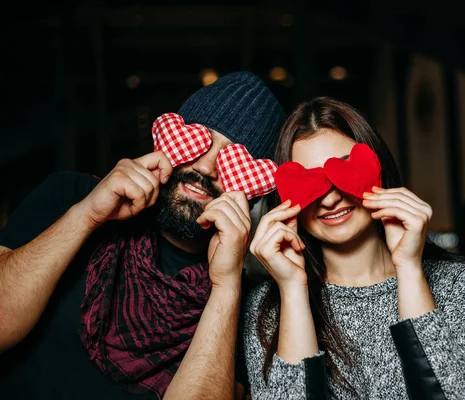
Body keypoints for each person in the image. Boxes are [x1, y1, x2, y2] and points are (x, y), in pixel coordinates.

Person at [0, 71, 286, 400]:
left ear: (254, 190)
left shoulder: (253, 305)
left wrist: (226, 284)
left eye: (234, 158)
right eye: (200, 140)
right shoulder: (70, 194)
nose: (206, 168)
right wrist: (87, 215)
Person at [242, 97, 465, 399]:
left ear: (378, 168)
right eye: (311, 181)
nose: (330, 200)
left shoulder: (454, 283)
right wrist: (294, 290)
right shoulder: (267, 307)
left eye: (344, 169)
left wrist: (410, 269)